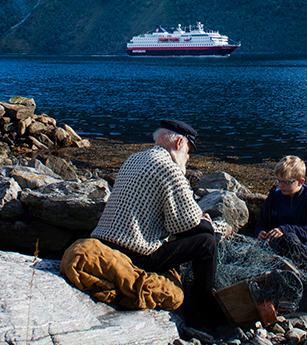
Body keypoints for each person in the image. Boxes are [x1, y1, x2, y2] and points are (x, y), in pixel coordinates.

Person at [91, 119, 225, 326]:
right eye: (189, 150)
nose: (188, 157)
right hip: (135, 253)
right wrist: (214, 227)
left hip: (104, 241)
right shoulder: (168, 168)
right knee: (206, 242)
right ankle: (202, 310)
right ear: (179, 143)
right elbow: (186, 225)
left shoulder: (134, 158)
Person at [254, 155, 307, 266]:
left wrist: (285, 230)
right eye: (278, 181)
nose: (280, 185)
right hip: (276, 248)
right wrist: (260, 232)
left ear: (300, 182)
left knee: (290, 240)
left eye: (286, 182)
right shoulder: (274, 197)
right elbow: (261, 223)